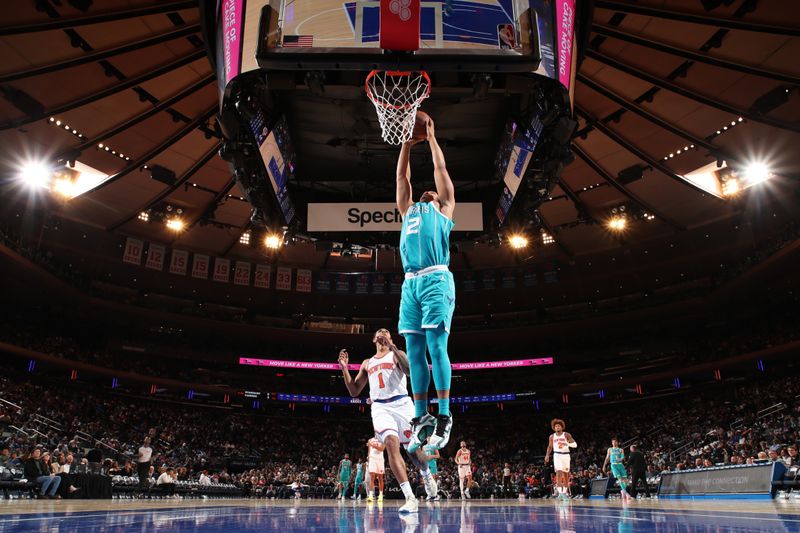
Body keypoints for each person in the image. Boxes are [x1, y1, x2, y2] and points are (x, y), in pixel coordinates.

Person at [395, 116, 457, 451]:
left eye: (431, 192)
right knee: (414, 351)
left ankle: (445, 414)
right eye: (426, 191)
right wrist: (406, 142)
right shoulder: (407, 210)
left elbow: (441, 170)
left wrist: (431, 139)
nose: (428, 191)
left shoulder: (444, 209)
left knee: (436, 347)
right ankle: (421, 415)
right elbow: (401, 175)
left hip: (436, 277)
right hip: (410, 285)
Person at [338, 328, 438, 513]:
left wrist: (393, 347)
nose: (383, 333)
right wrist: (344, 369)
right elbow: (354, 390)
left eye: (387, 332)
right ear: (374, 338)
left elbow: (409, 371)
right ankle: (410, 498)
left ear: (390, 338)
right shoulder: (367, 363)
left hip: (402, 404)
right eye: (380, 332)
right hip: (380, 407)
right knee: (391, 443)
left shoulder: (396, 354)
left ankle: (426, 474)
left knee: (414, 452)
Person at [544, 419, 577, 500]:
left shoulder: (566, 435)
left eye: (559, 426)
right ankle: (560, 493)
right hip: (557, 455)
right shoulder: (552, 436)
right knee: (558, 472)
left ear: (562, 427)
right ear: (554, 428)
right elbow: (550, 446)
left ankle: (565, 493)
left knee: (566, 474)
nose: (557, 427)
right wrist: (547, 455)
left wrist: (567, 443)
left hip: (566, 455)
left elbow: (575, 445)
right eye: (556, 426)